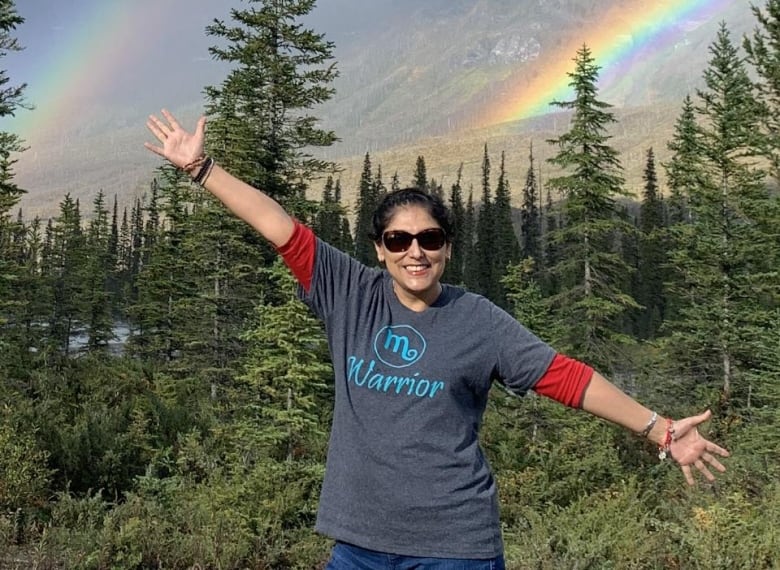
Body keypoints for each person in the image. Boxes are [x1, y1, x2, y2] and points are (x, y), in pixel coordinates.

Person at [145, 109, 730, 570]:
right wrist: (202, 169)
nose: (415, 251)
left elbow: (566, 378)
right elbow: (279, 226)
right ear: (379, 249)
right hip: (358, 546)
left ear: (447, 245)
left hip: (456, 547)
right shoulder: (350, 292)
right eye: (398, 241)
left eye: (429, 238)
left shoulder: (478, 320)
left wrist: (661, 430)